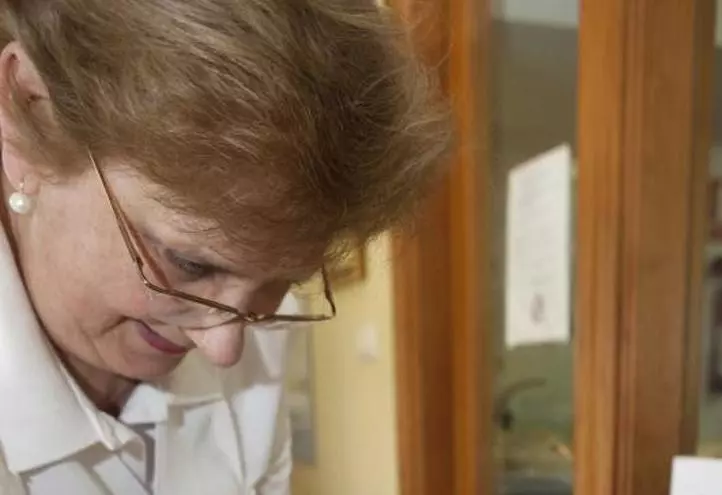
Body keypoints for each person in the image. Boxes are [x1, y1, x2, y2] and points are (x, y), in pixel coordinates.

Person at [0, 0, 450, 493]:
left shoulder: (261, 331)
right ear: (27, 111)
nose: (224, 348)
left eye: (284, 280)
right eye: (190, 263)